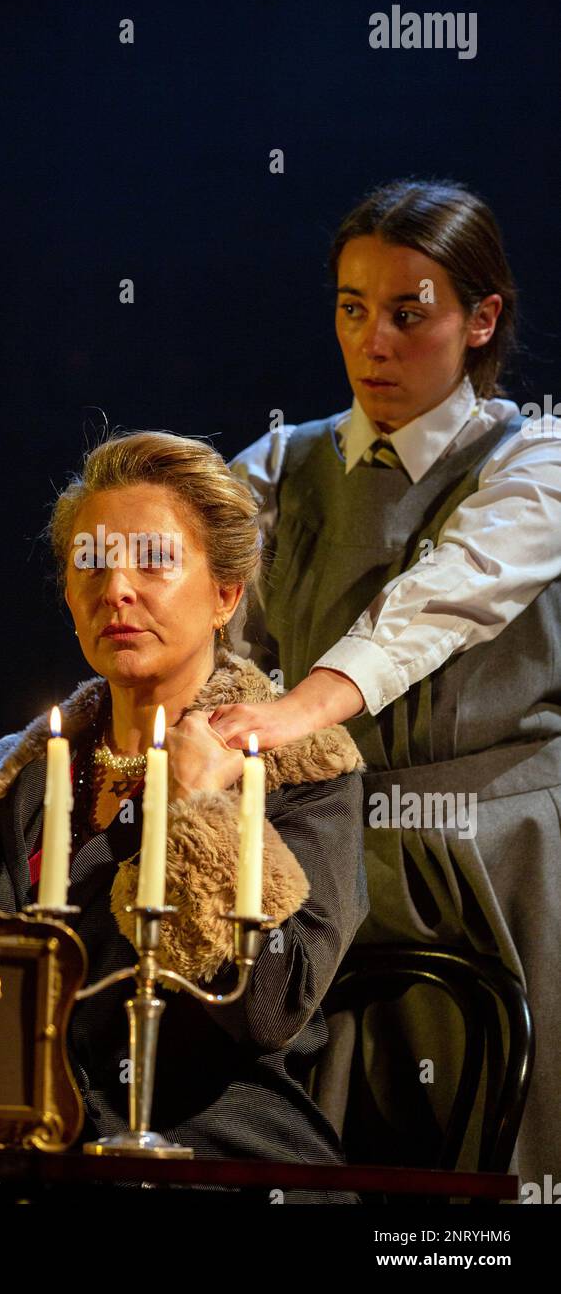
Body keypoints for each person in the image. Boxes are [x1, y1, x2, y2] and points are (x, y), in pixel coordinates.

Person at [0, 430, 368, 1206]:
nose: (117, 589)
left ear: (227, 594)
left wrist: (203, 811)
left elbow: (268, 1007)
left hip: (217, 1164)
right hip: (35, 1165)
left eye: (153, 560)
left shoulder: (297, 767)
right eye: (92, 562)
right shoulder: (34, 776)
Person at [214, 178, 561, 1192]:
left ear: (479, 317)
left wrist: (288, 712)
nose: (373, 340)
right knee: (339, 1148)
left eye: (407, 313)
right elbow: (192, 605)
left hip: (499, 857)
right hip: (335, 851)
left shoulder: (531, 456)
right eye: (351, 307)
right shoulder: (281, 461)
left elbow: (437, 602)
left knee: (501, 1159)